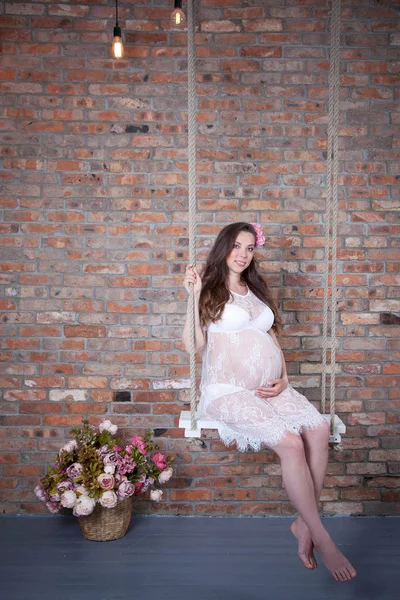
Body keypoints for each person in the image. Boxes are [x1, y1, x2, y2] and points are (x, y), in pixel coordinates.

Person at [182, 222, 356, 582]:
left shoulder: (254, 289)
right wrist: (191, 294)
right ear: (223, 248)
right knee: (291, 444)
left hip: (271, 388)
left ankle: (302, 523)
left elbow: (272, 338)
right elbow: (193, 346)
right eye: (237, 246)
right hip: (228, 391)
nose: (243, 254)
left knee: (319, 428)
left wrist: (286, 377)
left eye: (249, 248)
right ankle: (320, 535)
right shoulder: (208, 289)